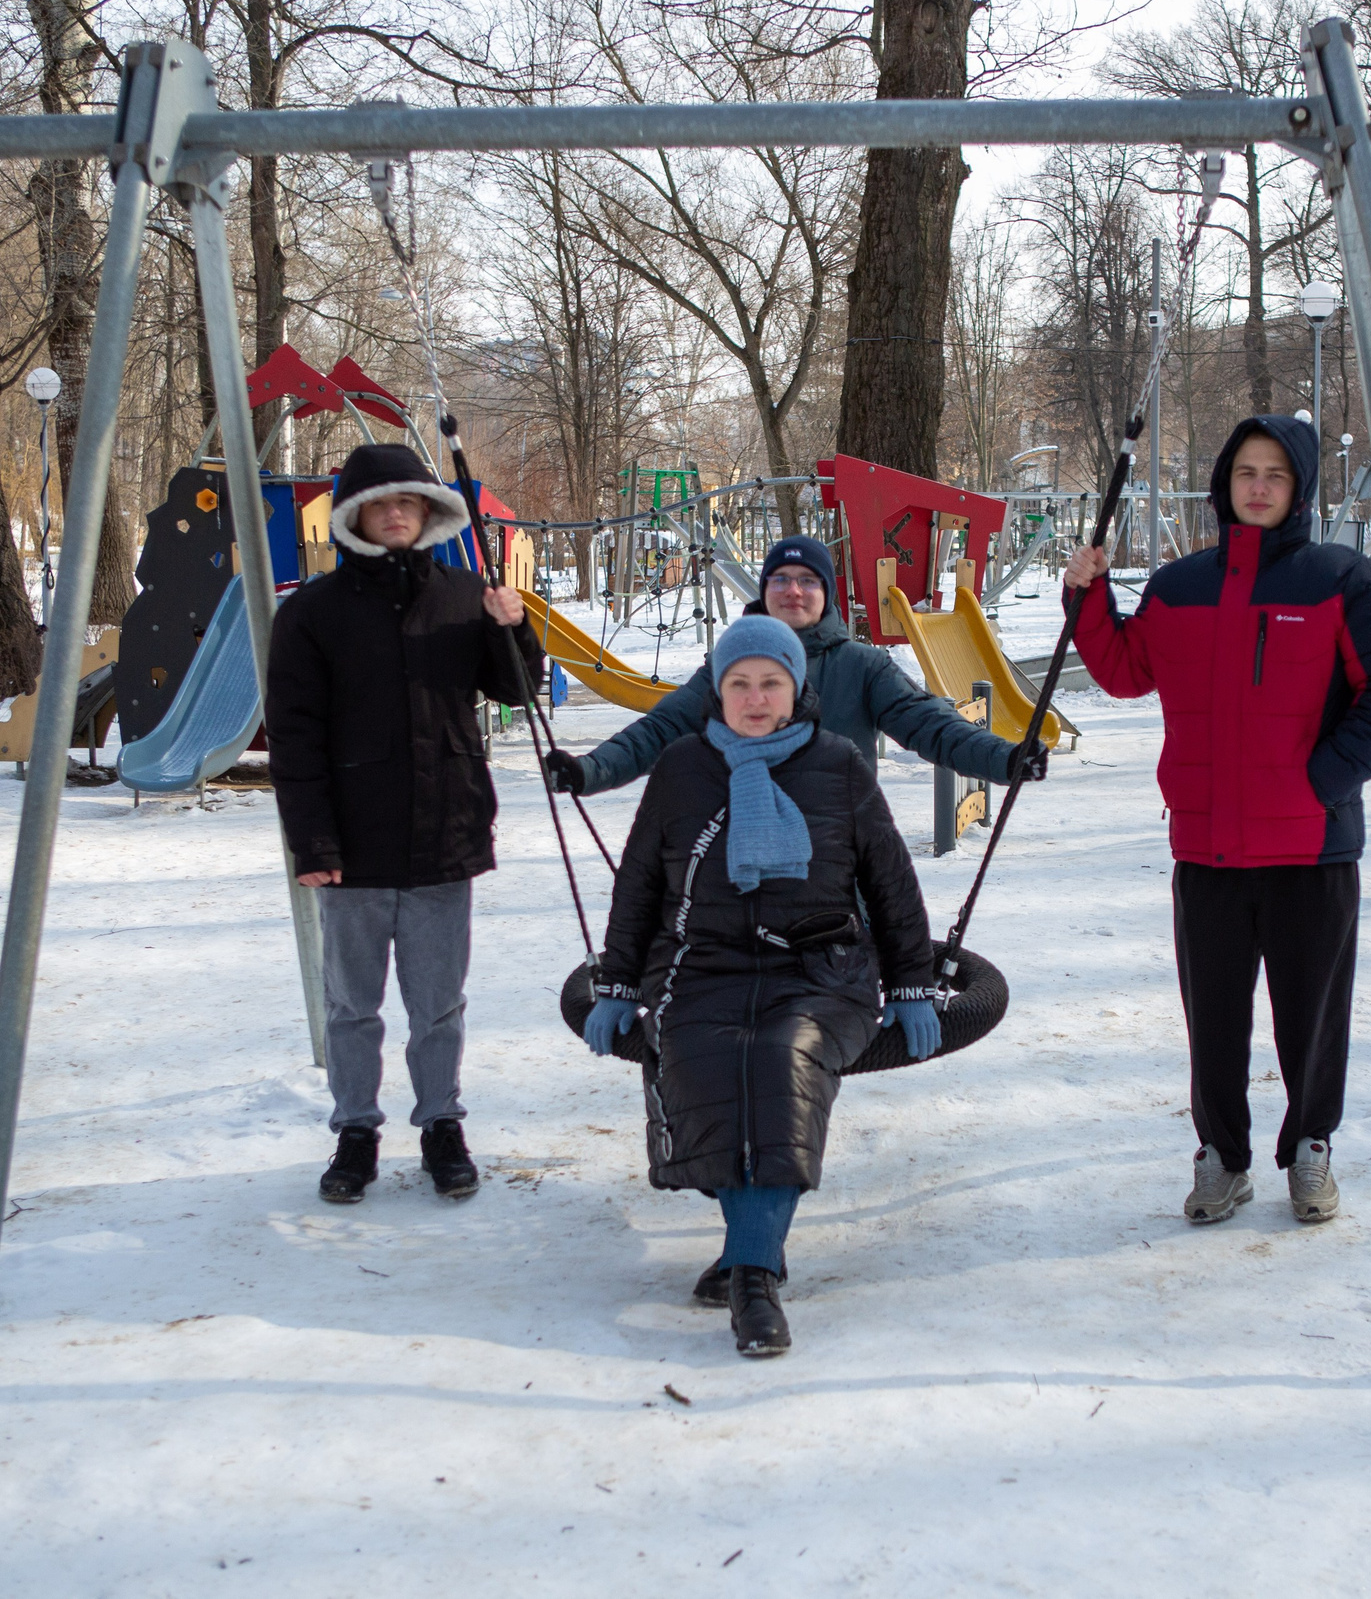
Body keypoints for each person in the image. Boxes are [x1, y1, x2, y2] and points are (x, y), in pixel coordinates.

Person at [1062, 415, 1371, 1228]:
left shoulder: (1341, 579)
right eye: (1245, 472)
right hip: (1209, 850)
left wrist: (1323, 779)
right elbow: (1124, 670)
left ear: (1300, 488)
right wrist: (1087, 596)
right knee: (1214, 1022)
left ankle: (1310, 1145)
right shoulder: (1178, 587)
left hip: (1311, 847)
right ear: (1225, 482)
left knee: (1312, 1017)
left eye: (1276, 474)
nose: (1258, 486)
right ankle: (1222, 1156)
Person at [579, 616, 937, 1359]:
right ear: (718, 691)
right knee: (701, 1063)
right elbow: (640, 884)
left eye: (771, 682)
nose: (754, 697)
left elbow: (892, 883)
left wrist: (911, 984)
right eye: (738, 683)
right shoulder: (682, 766)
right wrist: (615, 980)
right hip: (700, 967)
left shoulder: (837, 763)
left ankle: (751, 1276)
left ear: (795, 689)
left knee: (779, 1059)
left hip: (820, 971)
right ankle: (756, 1241)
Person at [267, 441, 544, 1206]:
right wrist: (312, 841)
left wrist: (512, 628)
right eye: (380, 503)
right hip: (350, 850)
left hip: (444, 836)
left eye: (408, 501)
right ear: (353, 516)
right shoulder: (312, 615)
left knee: (438, 1005)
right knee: (352, 1006)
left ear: (427, 512)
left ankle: (441, 1125)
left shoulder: (464, 595)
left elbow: (520, 690)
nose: (395, 513)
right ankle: (355, 1132)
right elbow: (293, 737)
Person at [541, 534, 1046, 798]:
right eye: (780, 578)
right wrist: (588, 770)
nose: (794, 591)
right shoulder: (730, 667)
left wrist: (1005, 759)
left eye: (808, 580)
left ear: (826, 594)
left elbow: (932, 726)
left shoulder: (863, 668)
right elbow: (660, 730)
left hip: (838, 851)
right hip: (741, 849)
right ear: (764, 590)